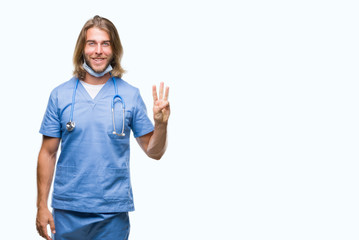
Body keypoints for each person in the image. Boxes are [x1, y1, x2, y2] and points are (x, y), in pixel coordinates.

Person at [36, 15, 170, 240]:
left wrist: (161, 125)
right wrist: (41, 206)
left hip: (112, 213)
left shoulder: (130, 95)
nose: (98, 50)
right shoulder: (60, 95)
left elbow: (154, 152)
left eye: (105, 43)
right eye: (92, 43)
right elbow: (47, 153)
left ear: (114, 50)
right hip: (67, 211)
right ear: (82, 48)